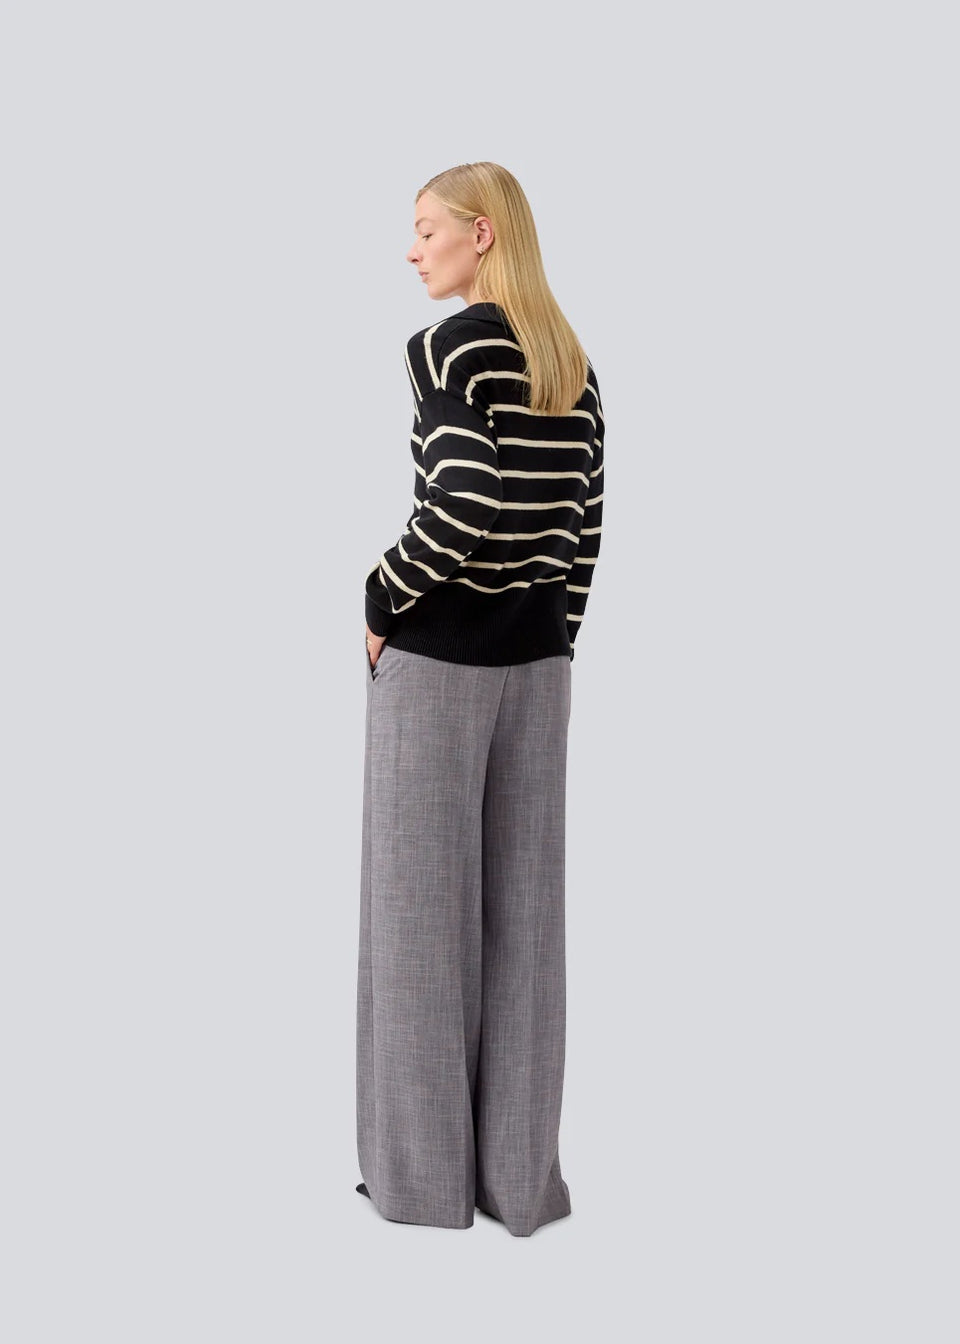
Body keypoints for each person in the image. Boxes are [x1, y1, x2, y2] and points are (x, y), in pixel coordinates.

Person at [356, 161, 604, 1237]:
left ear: (483, 234)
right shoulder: (570, 360)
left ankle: (419, 1190)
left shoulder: (450, 346)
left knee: (419, 926)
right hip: (539, 668)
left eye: (427, 229)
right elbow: (584, 525)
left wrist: (380, 594)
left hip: (441, 662)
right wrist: (553, 640)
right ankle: (517, 1185)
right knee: (526, 930)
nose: (413, 249)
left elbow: (460, 500)